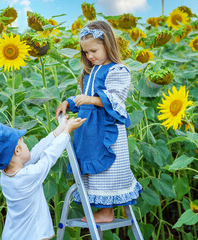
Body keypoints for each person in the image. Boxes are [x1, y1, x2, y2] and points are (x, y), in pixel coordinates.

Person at [55, 20, 142, 223]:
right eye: (86, 53)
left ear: (108, 45)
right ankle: (101, 210)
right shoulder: (90, 72)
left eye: (94, 50)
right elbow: (84, 98)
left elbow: (115, 99)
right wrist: (68, 103)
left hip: (105, 129)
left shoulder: (117, 71)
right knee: (94, 169)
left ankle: (106, 212)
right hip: (89, 131)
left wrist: (91, 99)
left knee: (107, 169)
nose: (90, 56)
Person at [0, 116, 86, 240]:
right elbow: (49, 157)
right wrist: (66, 132)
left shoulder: (6, 173)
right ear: (17, 151)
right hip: (32, 235)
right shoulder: (27, 176)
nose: (27, 145)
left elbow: (35, 152)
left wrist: (58, 131)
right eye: (23, 142)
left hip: (12, 235)